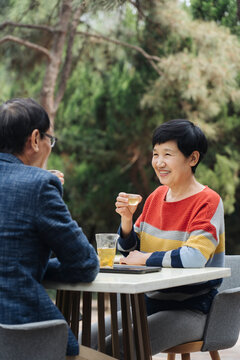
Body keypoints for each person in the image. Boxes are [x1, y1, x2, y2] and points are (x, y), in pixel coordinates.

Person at [90, 119, 225, 357]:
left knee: (116, 347)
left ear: (192, 159)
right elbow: (130, 252)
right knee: (79, 338)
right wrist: (126, 220)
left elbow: (194, 258)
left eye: (168, 154)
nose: (159, 162)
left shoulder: (209, 201)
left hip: (192, 309)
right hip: (149, 305)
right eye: (155, 154)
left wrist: (144, 259)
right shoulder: (156, 196)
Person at [0, 98, 99, 357]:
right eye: (49, 140)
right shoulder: (41, 185)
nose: (49, 147)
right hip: (22, 335)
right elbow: (85, 265)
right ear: (35, 139)